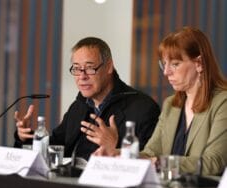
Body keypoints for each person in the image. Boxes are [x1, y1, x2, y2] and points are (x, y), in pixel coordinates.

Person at [14, 37, 160, 161]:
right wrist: (26, 137)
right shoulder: (79, 106)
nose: (82, 76)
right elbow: (56, 148)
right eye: (77, 68)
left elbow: (150, 162)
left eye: (89, 68)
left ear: (109, 67)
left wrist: (114, 148)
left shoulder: (143, 108)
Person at [139, 26, 227, 176]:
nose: (166, 72)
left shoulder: (222, 103)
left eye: (175, 64)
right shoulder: (170, 104)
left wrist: (161, 163)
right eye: (164, 64)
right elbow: (150, 153)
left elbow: (213, 162)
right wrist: (118, 155)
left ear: (199, 63)